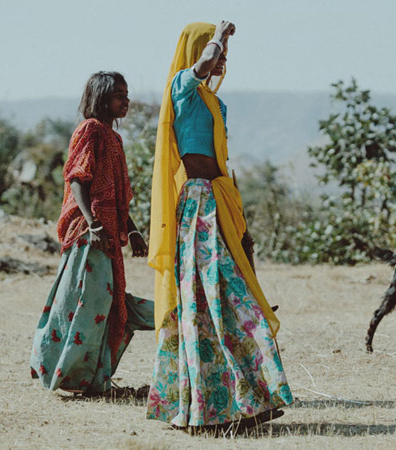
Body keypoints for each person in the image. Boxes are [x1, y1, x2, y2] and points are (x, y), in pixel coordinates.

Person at [146, 21, 293, 430]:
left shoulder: (213, 101)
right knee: (201, 303)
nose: (222, 60)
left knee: (231, 302)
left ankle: (246, 402)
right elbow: (206, 61)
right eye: (216, 52)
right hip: (197, 203)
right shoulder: (182, 87)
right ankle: (208, 409)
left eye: (226, 54)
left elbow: (223, 164)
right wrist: (221, 36)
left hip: (219, 200)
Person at [30, 71, 154, 394]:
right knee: (90, 303)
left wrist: (134, 231)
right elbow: (76, 179)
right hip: (89, 235)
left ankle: (95, 379)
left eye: (126, 95)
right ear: (102, 98)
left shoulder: (114, 139)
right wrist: (93, 223)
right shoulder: (90, 131)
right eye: (119, 95)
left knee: (106, 306)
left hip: (108, 235)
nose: (125, 101)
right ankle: (65, 373)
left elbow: (117, 195)